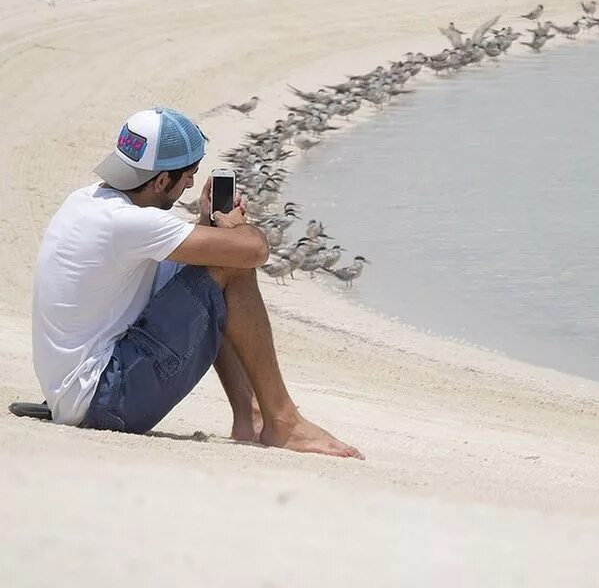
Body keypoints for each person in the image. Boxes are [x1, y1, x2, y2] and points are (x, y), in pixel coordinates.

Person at [32, 107, 363, 459]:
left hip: (74, 393)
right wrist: (233, 228)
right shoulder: (129, 223)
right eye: (188, 174)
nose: (191, 183)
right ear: (161, 181)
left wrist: (206, 223)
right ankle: (284, 421)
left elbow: (174, 274)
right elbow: (254, 251)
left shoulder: (86, 202)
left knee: (210, 263)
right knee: (230, 266)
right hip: (108, 400)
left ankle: (249, 415)